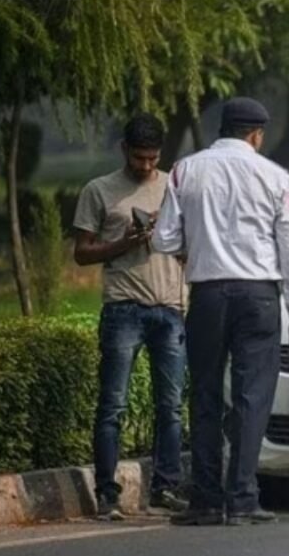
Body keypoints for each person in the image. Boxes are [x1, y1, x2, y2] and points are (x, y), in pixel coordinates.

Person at [152, 97, 289, 526]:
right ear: (256, 134)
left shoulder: (185, 170)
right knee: (251, 396)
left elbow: (163, 239)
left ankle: (205, 499)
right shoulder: (275, 176)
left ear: (222, 128)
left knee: (204, 393)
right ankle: (242, 497)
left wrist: (198, 245)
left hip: (207, 295)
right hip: (259, 297)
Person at [72, 113, 188, 520]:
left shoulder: (174, 186)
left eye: (152, 158)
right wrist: (123, 243)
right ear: (124, 150)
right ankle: (107, 493)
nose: (146, 165)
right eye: (139, 157)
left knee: (170, 406)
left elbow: (190, 243)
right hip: (123, 307)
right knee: (113, 405)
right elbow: (81, 252)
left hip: (170, 307)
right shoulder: (99, 190)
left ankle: (165, 487)